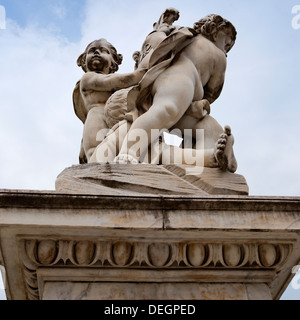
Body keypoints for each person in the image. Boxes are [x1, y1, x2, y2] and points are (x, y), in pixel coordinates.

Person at [113, 14, 238, 172]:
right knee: (164, 111)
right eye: (227, 44)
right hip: (182, 81)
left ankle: (211, 158)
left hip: (172, 86)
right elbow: (213, 91)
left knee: (207, 125)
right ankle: (128, 153)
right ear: (215, 32)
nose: (226, 50)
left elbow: (158, 42)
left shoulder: (187, 37)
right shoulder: (218, 55)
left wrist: (163, 26)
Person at [73, 38, 146, 163]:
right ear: (84, 62)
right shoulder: (88, 78)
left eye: (103, 51)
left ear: (113, 63)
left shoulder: (117, 87)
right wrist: (146, 69)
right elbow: (119, 81)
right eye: (92, 51)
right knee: (97, 155)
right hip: (97, 122)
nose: (96, 53)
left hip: (115, 121)